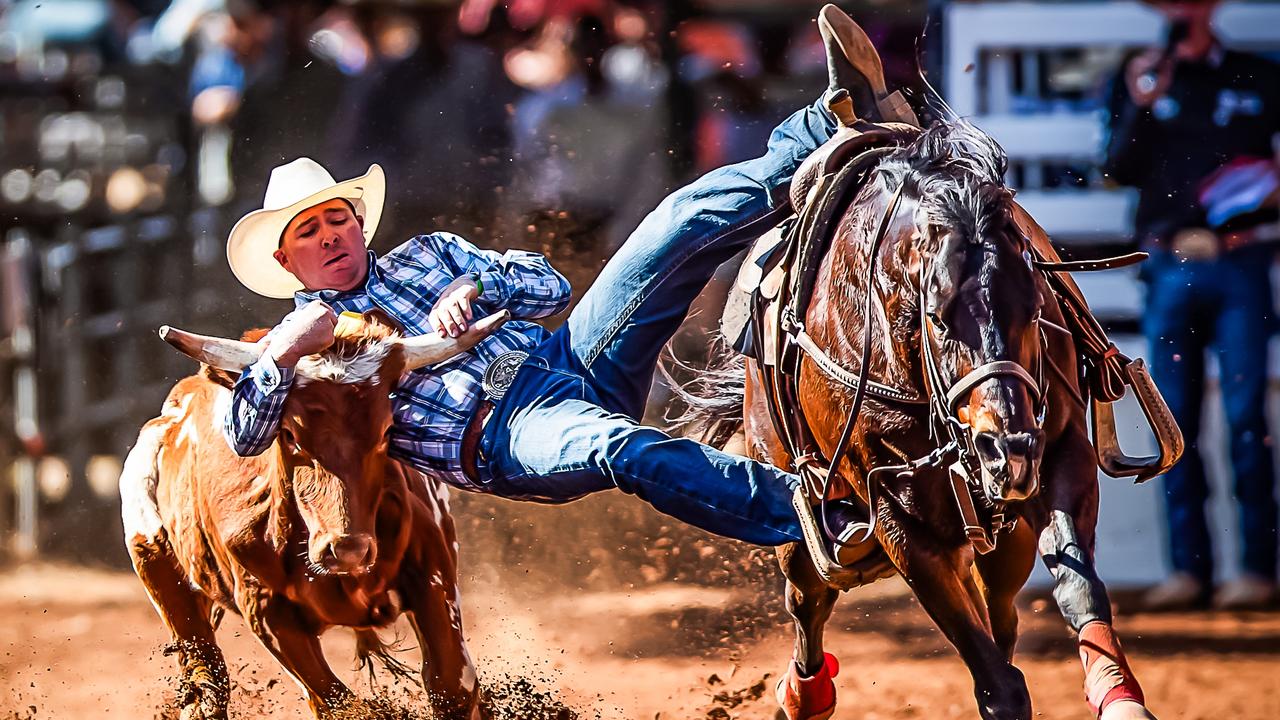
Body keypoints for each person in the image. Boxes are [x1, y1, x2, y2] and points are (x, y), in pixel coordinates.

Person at [220, 6, 888, 563]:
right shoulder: (300, 346)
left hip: (564, 356)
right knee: (621, 447)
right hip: (506, 434)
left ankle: (838, 123)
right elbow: (243, 436)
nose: (330, 236)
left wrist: (479, 283)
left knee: (675, 220)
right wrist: (278, 359)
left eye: (337, 219)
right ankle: (823, 520)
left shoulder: (429, 253)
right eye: (308, 233)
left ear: (359, 225)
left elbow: (549, 288)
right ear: (287, 264)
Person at [1104, 0, 1280, 610]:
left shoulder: (1259, 76)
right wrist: (1141, 103)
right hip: (1168, 265)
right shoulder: (1140, 75)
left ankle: (1257, 569)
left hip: (1241, 262)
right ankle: (1190, 572)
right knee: (1174, 423)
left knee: (1246, 419)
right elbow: (1115, 167)